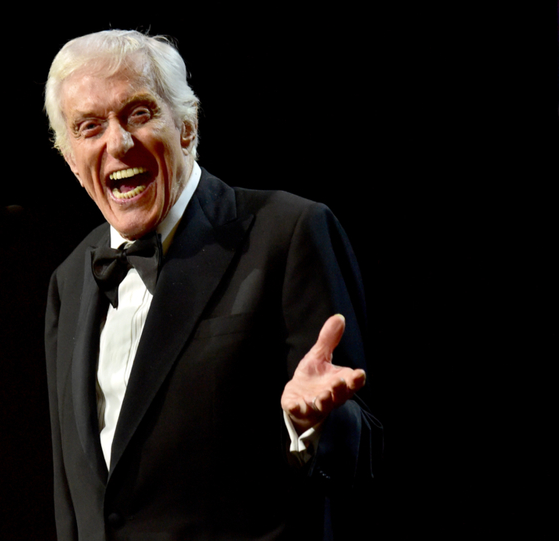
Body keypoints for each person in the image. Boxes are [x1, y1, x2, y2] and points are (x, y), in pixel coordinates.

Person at [43, 29, 382, 540]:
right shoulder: (69, 281)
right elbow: (73, 499)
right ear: (71, 159)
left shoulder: (288, 233)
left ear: (186, 126)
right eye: (89, 127)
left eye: (138, 113)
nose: (118, 142)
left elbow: (366, 453)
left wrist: (314, 425)